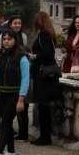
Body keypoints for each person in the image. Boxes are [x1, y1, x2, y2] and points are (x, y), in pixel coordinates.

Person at [0, 29, 30, 155]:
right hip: (2, 93)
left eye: (9, 39)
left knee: (6, 122)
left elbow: (25, 79)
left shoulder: (22, 57)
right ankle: (11, 152)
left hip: (15, 94)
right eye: (4, 39)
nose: (6, 42)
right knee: (5, 123)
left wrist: (21, 99)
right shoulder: (2, 55)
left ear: (15, 40)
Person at [28, 12, 60, 146]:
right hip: (48, 75)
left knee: (43, 106)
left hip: (43, 76)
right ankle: (45, 135)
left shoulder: (43, 35)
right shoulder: (49, 34)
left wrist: (34, 56)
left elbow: (47, 54)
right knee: (44, 106)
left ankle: (45, 136)